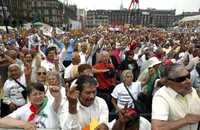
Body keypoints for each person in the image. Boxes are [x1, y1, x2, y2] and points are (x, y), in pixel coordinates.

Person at [152, 63, 200, 130]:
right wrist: (186, 120)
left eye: (188, 76)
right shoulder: (161, 97)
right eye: (181, 79)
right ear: (167, 82)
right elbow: (157, 128)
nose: (188, 81)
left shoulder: (192, 91)